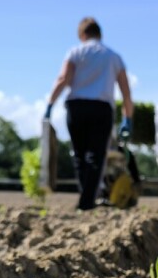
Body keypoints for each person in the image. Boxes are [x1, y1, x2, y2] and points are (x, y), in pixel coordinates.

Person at [45, 17, 133, 210]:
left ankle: (86, 200)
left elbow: (63, 78)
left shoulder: (75, 52)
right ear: (99, 34)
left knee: (79, 155)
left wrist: (50, 103)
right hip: (101, 109)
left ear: (82, 35)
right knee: (96, 156)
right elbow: (126, 91)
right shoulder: (113, 56)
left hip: (76, 107)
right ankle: (87, 201)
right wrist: (128, 117)